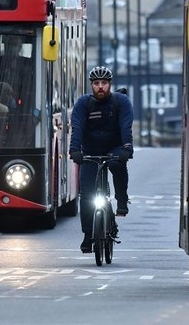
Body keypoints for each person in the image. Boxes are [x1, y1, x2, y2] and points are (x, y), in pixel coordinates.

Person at [70, 66, 134, 253]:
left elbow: (126, 127)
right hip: (90, 150)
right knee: (87, 192)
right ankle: (88, 235)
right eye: (96, 83)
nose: (100, 87)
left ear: (110, 85)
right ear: (91, 85)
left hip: (114, 148)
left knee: (117, 164)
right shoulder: (83, 103)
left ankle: (122, 199)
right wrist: (75, 150)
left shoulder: (121, 102)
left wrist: (127, 149)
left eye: (104, 83)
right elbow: (77, 128)